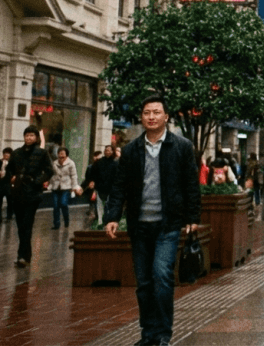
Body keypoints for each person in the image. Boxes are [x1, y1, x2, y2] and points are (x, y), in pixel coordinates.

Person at [105, 94, 200, 346]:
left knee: (161, 275)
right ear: (141, 116)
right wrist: (112, 216)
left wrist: (192, 217)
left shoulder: (181, 147)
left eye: (156, 112)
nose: (151, 117)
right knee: (144, 283)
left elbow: (191, 185)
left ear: (166, 117)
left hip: (168, 224)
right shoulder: (131, 150)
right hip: (139, 226)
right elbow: (119, 187)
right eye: (147, 112)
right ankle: (148, 333)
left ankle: (163, 334)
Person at [9, 125, 54, 267]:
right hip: (17, 192)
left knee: (27, 224)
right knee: (20, 225)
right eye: (26, 135)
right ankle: (25, 255)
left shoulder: (42, 153)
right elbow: (9, 170)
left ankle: (22, 255)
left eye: (31, 135)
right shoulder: (16, 153)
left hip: (33, 194)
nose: (28, 138)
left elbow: (49, 170)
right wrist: (11, 177)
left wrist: (37, 181)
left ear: (36, 138)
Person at [49, 147, 78, 229]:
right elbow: (51, 174)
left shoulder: (71, 163)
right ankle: (56, 224)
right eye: (59, 153)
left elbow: (74, 176)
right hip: (55, 187)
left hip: (66, 187)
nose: (61, 155)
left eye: (63, 153)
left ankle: (66, 220)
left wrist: (74, 186)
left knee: (63, 204)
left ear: (66, 154)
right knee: (55, 206)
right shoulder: (54, 163)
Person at [0, 148, 14, 223]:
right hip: (1, 183)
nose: (6, 156)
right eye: (4, 154)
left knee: (10, 201)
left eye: (7, 155)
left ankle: (9, 217)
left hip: (8, 183)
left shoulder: (12, 163)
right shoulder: (0, 161)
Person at [245, 155, 263, 220]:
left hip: (253, 184)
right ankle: (255, 212)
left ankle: (254, 212)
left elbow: (250, 176)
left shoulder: (253, 166)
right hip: (256, 184)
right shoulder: (258, 166)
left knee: (252, 197)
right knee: (256, 198)